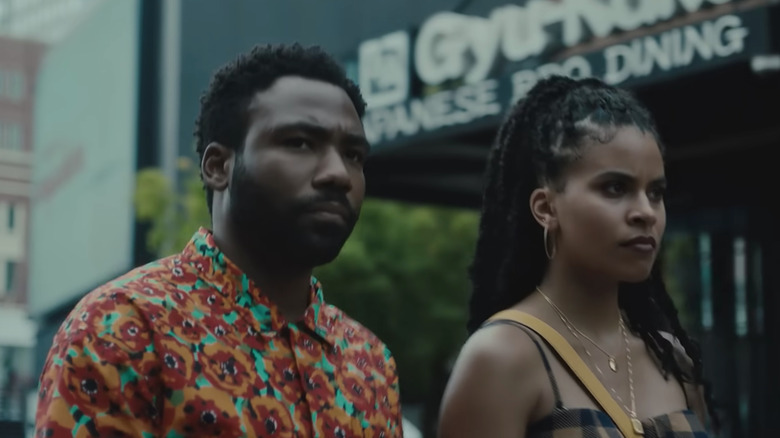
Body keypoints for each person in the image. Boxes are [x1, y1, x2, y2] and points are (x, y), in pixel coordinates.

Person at [35, 43, 403, 437]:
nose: (339, 174)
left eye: (353, 155)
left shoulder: (369, 362)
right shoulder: (123, 330)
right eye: (299, 143)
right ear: (218, 167)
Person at [437, 75, 716, 438]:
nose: (645, 212)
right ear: (545, 207)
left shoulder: (674, 360)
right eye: (616, 188)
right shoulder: (502, 358)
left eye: (656, 192)